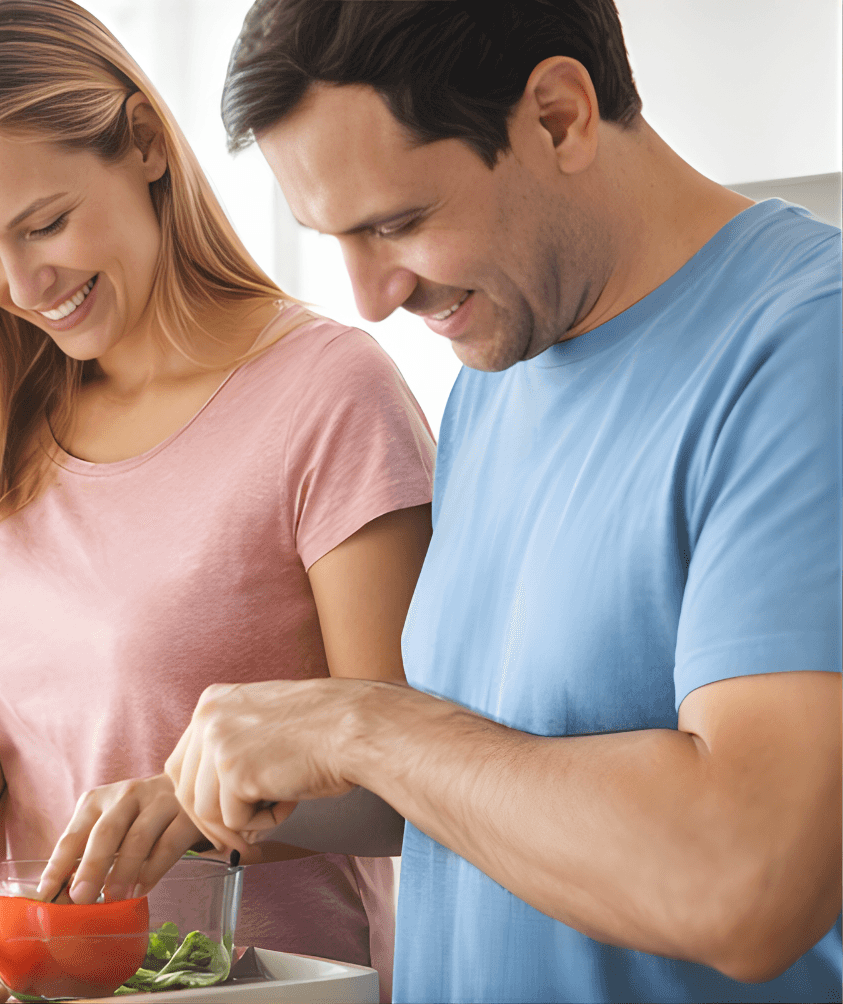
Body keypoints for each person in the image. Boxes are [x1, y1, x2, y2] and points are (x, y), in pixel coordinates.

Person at [162, 1, 843, 1002]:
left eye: (397, 223)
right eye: (335, 237)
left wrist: (359, 722)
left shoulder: (803, 351)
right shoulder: (493, 367)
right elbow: (492, 778)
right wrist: (226, 781)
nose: (369, 295)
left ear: (559, 115)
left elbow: (748, 881)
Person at [0, 0, 435, 989]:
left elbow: (408, 778)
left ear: (141, 143)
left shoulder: (326, 393)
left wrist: (208, 797)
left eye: (43, 224)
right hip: (26, 974)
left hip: (265, 979)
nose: (21, 282)